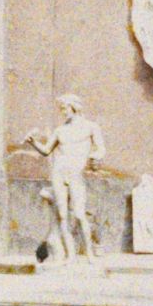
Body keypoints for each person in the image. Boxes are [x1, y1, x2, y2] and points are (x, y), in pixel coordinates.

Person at [23, 95, 106, 261]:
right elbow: (46, 150)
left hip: (76, 173)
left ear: (74, 107)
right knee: (62, 215)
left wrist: (95, 156)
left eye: (64, 108)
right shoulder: (60, 130)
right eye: (61, 109)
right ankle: (71, 255)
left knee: (79, 215)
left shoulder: (90, 127)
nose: (63, 112)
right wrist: (33, 142)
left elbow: (101, 148)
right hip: (59, 172)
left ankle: (89, 253)